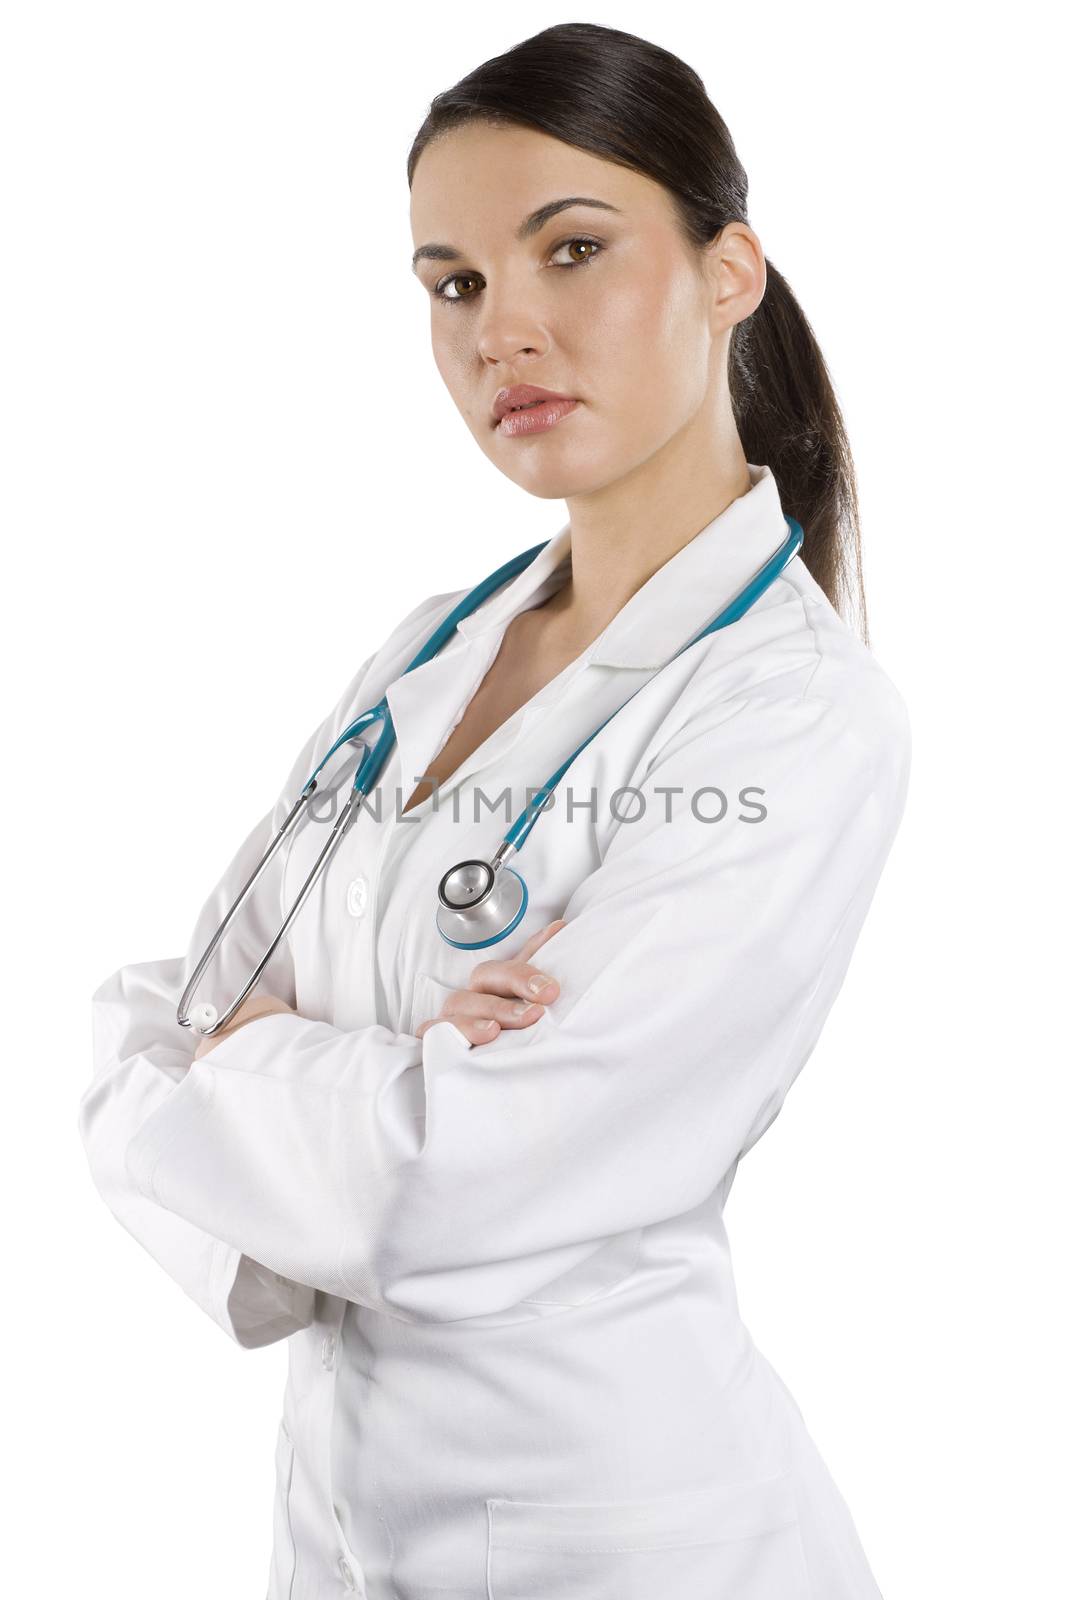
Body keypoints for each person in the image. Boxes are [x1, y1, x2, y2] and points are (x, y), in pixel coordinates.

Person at [79, 22, 910, 1599]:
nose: (501, 330)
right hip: (338, 1522)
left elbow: (449, 1179)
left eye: (572, 250)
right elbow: (134, 1042)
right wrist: (381, 1074)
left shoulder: (790, 712)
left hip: (624, 1534)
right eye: (452, 283)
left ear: (728, 270)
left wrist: (263, 1059)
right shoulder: (425, 648)